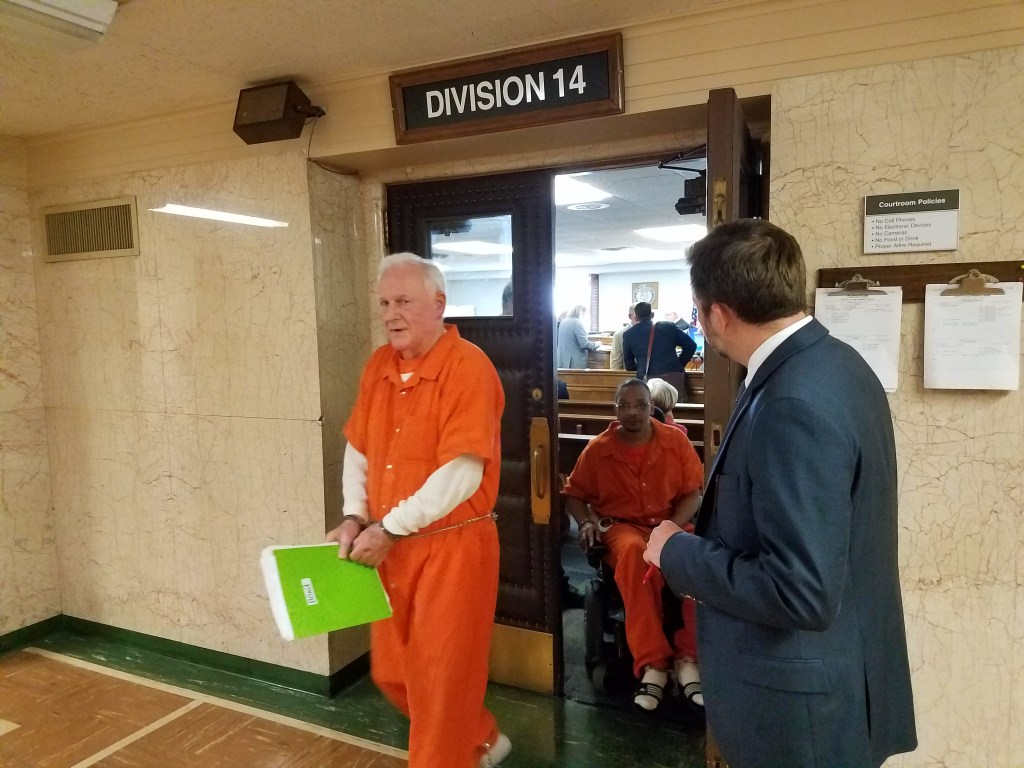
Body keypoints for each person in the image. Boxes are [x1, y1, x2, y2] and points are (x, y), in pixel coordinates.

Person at [645, 220, 917, 767]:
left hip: (798, 710)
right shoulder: (837, 362)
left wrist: (677, 551)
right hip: (833, 675)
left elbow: (800, 591)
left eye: (699, 310)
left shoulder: (791, 401)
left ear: (718, 313)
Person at [326, 252, 510, 768]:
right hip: (391, 545)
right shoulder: (378, 366)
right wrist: (354, 515)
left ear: (438, 303)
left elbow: (462, 473)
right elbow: (358, 448)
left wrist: (389, 526)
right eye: (384, 303)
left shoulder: (468, 367)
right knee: (392, 672)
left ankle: (450, 753)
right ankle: (481, 740)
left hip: (452, 548)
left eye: (403, 302)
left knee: (439, 684)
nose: (391, 315)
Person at [563, 378, 703, 712]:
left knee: (697, 557)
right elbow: (574, 494)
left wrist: (670, 528)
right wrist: (586, 522)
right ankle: (653, 663)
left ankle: (688, 658)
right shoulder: (599, 449)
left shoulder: (675, 442)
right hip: (622, 526)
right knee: (633, 554)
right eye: (624, 405)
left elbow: (693, 493)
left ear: (651, 406)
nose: (632, 412)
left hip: (670, 520)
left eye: (640, 404)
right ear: (615, 410)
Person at [622, 302, 696, 399]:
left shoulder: (628, 334)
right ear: (652, 315)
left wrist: (642, 367)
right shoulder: (668, 327)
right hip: (673, 377)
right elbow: (691, 345)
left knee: (650, 406)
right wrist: (679, 364)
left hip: (647, 381)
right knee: (676, 406)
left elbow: (629, 365)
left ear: (635, 318)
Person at [556, 304, 599, 368]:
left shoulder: (563, 322)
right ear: (581, 313)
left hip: (562, 362)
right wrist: (597, 344)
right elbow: (584, 344)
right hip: (574, 364)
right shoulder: (578, 323)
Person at [609, 303, 638, 369]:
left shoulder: (652, 332)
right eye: (638, 315)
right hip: (628, 373)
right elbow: (616, 364)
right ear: (630, 316)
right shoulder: (619, 335)